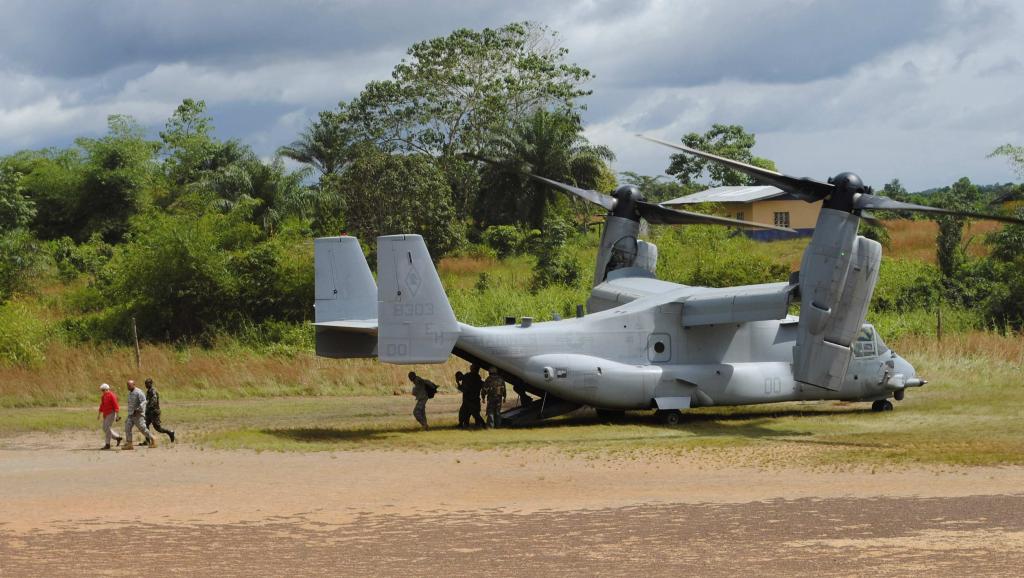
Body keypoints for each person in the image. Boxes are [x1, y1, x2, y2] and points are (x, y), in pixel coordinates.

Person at [123, 379, 155, 450]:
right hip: (131, 415)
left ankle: (153, 439)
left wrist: (138, 410)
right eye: (127, 385)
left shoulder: (139, 392)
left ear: (134, 385)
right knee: (127, 428)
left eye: (129, 385)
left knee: (142, 429)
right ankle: (129, 444)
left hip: (138, 415)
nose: (128, 387)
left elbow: (144, 402)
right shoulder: (130, 393)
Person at [144, 378, 176, 443]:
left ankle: (170, 433)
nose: (146, 385)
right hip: (149, 412)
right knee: (145, 425)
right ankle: (147, 441)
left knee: (158, 428)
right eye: (145, 384)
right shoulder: (148, 391)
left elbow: (154, 401)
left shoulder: (153, 391)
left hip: (154, 412)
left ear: (151, 383)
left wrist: (148, 406)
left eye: (147, 383)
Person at [96, 383, 123, 450]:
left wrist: (117, 415)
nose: (102, 392)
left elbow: (116, 406)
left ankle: (107, 444)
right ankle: (117, 437)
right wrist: (99, 414)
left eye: (103, 390)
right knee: (104, 428)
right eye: (102, 390)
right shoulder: (103, 396)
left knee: (107, 428)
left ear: (106, 389)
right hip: (106, 414)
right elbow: (102, 405)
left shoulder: (112, 395)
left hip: (112, 413)